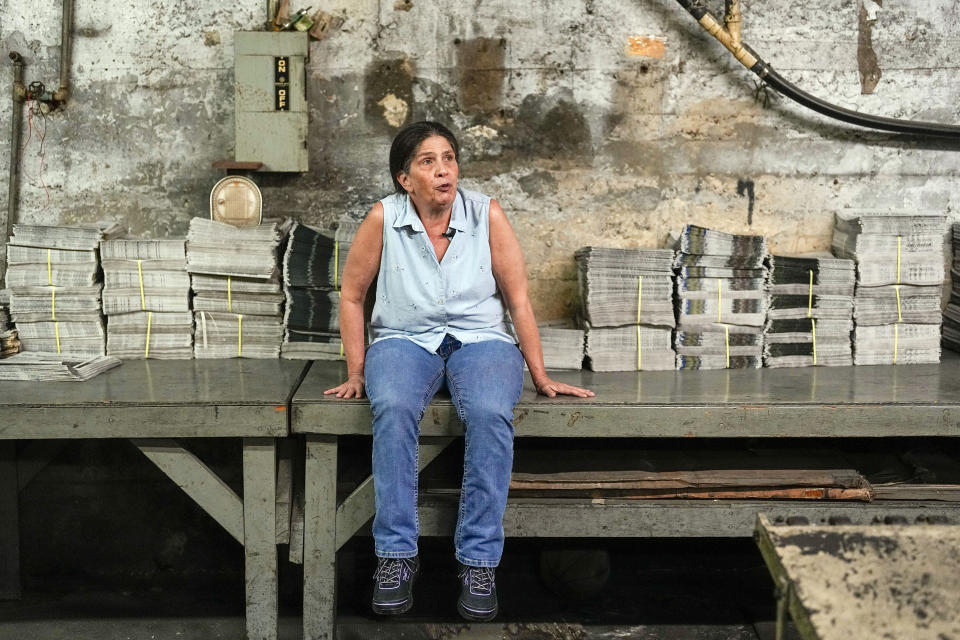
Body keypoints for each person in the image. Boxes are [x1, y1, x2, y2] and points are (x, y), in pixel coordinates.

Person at [324, 120, 594, 621]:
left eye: (448, 158)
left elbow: (517, 300)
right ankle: (396, 557)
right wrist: (357, 371)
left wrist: (541, 374)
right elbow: (353, 296)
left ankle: (478, 562)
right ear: (404, 179)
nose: (443, 170)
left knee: (491, 413)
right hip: (404, 340)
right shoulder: (383, 218)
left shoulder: (486, 213)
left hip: (481, 340)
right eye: (427, 162)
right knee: (394, 407)